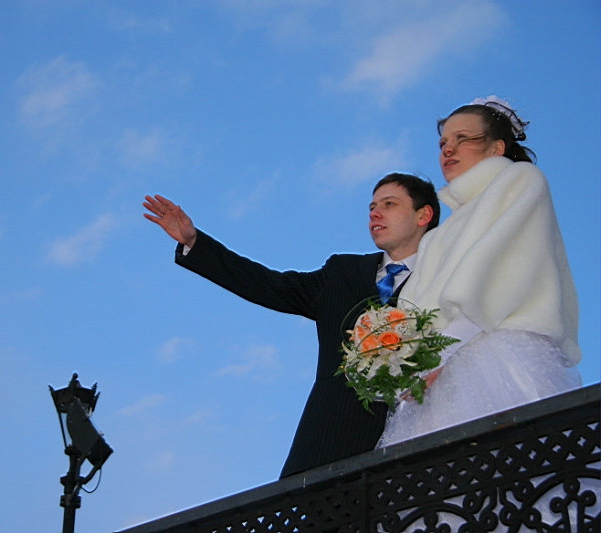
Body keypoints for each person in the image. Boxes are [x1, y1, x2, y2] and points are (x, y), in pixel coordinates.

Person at [144, 173, 439, 478]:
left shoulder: (447, 276)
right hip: (327, 447)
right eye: (372, 207)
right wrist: (195, 242)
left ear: (423, 214)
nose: (374, 214)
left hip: (420, 445)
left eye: (389, 204)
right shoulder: (342, 272)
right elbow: (269, 285)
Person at [378, 97, 582, 447]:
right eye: (443, 143)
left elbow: (505, 276)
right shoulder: (439, 234)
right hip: (438, 377)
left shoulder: (521, 180)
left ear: (496, 147)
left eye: (463, 138)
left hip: (496, 360)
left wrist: (438, 355)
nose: (448, 149)